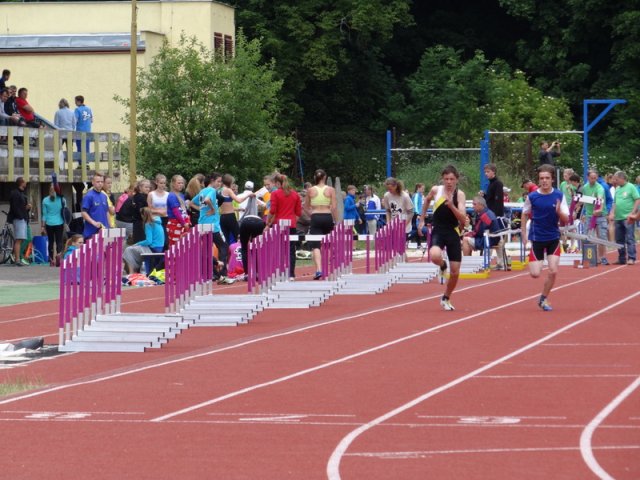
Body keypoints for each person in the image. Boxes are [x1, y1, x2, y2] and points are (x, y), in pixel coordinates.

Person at [418, 165, 467, 311]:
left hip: (453, 231)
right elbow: (426, 201)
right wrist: (421, 219)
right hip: (438, 229)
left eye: (452, 179)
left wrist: (452, 206)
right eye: (446, 179)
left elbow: (463, 219)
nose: (449, 182)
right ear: (442, 179)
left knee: (455, 272)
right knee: (434, 255)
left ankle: (446, 297)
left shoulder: (460, 195)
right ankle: (441, 265)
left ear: (457, 180)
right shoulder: (436, 190)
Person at [521, 165, 569, 311]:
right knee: (535, 274)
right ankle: (537, 264)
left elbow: (566, 219)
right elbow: (524, 214)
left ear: (552, 179)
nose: (544, 181)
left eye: (547, 178)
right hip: (537, 237)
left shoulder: (559, 196)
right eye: (542, 178)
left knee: (553, 271)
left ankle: (543, 298)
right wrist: (523, 234)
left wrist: (559, 212)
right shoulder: (532, 196)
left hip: (553, 237)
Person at [196, 172, 234, 284]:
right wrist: (212, 209)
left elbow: (191, 202)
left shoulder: (201, 191)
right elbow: (207, 200)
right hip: (212, 225)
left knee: (207, 251)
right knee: (223, 246)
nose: (219, 184)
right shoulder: (212, 191)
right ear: (212, 180)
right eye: (218, 181)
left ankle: (213, 273)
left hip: (202, 224)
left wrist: (201, 211)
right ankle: (222, 274)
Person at [267, 173, 302, 280]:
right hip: (291, 224)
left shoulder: (275, 194)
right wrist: (293, 221)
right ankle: (291, 274)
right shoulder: (295, 194)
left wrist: (268, 223)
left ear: (278, 183)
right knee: (291, 250)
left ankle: (280, 271)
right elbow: (298, 212)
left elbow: (272, 210)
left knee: (278, 249)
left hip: (279, 225)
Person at [304, 169, 337, 280]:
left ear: (315, 178)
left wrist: (312, 215)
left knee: (316, 245)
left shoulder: (310, 190)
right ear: (325, 177)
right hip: (327, 216)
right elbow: (334, 207)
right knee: (327, 243)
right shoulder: (331, 190)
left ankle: (319, 269)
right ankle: (326, 267)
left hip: (316, 216)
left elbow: (305, 206)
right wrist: (335, 221)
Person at [462, 196, 504, 269]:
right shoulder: (488, 212)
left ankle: (467, 264)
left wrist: (468, 233)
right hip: (493, 238)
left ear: (481, 205)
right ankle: (469, 263)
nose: (473, 206)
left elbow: (478, 232)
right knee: (467, 238)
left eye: (474, 204)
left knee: (465, 240)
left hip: (489, 240)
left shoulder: (484, 216)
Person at [608, 171, 640, 265]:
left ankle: (631, 257)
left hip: (627, 218)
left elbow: (637, 199)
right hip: (618, 217)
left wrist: (633, 212)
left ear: (622, 178)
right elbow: (615, 202)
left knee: (629, 238)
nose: (615, 181)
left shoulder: (631, 187)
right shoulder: (617, 189)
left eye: (616, 179)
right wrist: (612, 213)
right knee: (619, 239)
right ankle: (621, 258)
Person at [577, 170, 608, 263]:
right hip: (589, 215)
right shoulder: (585, 187)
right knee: (586, 236)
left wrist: (600, 209)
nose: (594, 180)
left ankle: (602, 257)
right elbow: (581, 199)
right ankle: (588, 257)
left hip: (600, 215)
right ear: (588, 178)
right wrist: (577, 208)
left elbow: (600, 199)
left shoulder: (600, 188)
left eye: (595, 178)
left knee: (601, 237)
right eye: (592, 178)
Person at [123, 207, 164, 274]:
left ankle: (131, 272)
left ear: (143, 215)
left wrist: (137, 243)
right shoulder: (158, 223)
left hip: (152, 248)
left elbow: (148, 241)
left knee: (128, 249)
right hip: (159, 248)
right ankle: (134, 269)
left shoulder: (148, 224)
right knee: (133, 250)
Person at [219, 174, 253, 246]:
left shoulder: (219, 190)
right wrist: (248, 195)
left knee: (226, 238)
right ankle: (241, 253)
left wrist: (238, 209)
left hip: (222, 217)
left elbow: (226, 205)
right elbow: (239, 200)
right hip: (230, 216)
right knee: (238, 236)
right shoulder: (228, 190)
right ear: (229, 182)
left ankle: (227, 256)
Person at [238, 194, 265, 280]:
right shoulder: (260, 213)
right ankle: (257, 272)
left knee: (244, 248)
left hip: (246, 222)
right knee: (256, 248)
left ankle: (247, 273)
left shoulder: (246, 209)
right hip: (258, 223)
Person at [7, 177, 32, 266]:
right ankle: (17, 259)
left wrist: (27, 208)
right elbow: (15, 207)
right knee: (19, 239)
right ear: (21, 183)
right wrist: (21, 215)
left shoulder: (22, 194)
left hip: (23, 218)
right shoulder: (15, 193)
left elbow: (22, 208)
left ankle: (16, 257)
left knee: (21, 239)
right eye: (25, 181)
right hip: (19, 219)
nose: (26, 183)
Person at [41, 184, 66, 266]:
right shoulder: (62, 200)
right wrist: (66, 223)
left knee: (51, 241)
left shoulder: (45, 200)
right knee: (59, 241)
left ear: (49, 190)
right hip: (59, 223)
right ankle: (58, 256)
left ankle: (51, 260)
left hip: (49, 223)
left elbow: (44, 214)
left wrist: (42, 226)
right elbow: (65, 212)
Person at [81, 172, 109, 239]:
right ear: (93, 182)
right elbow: (83, 212)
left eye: (102, 182)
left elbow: (107, 211)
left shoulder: (104, 196)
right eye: (98, 182)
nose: (100, 183)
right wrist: (93, 222)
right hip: (91, 233)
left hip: (104, 231)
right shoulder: (88, 196)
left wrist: (108, 226)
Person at [165, 175, 191, 246]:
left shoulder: (181, 195)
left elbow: (183, 211)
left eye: (182, 183)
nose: (181, 185)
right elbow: (176, 212)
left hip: (183, 222)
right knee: (175, 246)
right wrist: (183, 223)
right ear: (173, 183)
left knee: (183, 245)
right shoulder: (172, 195)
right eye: (179, 183)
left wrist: (187, 221)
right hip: (175, 223)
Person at [131, 179, 151, 243]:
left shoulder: (137, 196)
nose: (148, 189)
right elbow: (141, 210)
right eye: (146, 187)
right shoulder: (141, 197)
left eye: (149, 187)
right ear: (140, 188)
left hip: (137, 221)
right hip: (140, 222)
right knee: (141, 240)